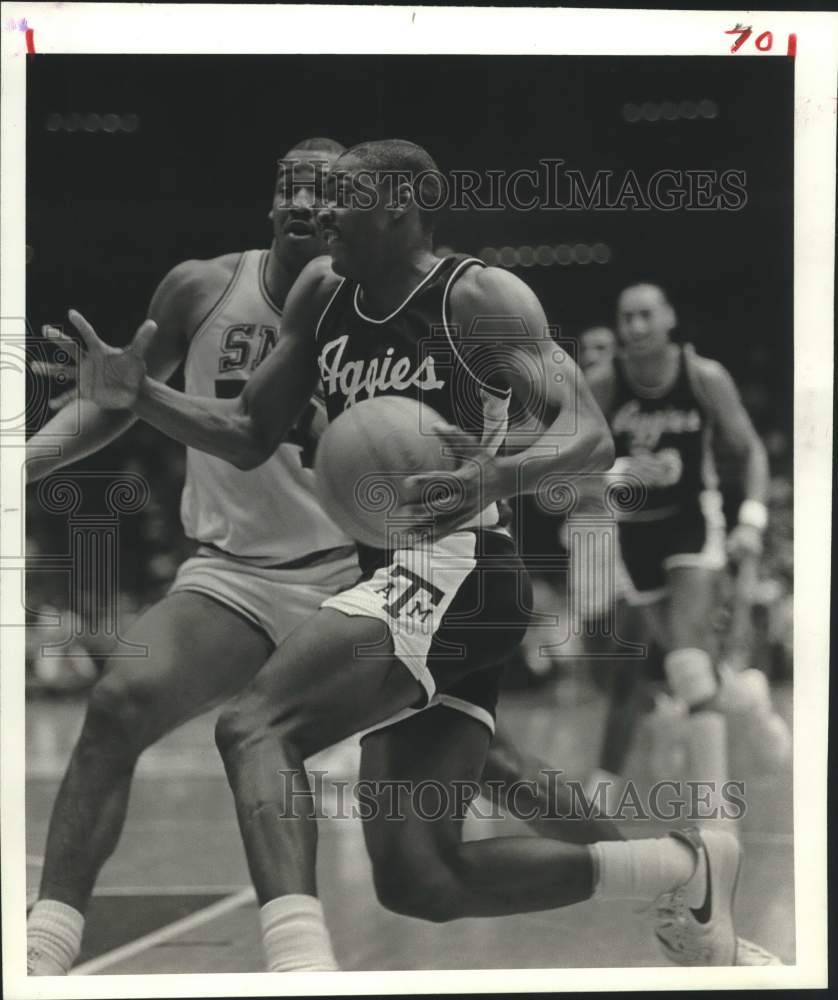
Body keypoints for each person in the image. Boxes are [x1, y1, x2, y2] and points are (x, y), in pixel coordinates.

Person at [54, 139, 748, 970]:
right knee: (420, 876)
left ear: (400, 204)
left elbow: (588, 437)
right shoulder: (321, 292)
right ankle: (684, 865)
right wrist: (145, 396)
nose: (323, 213)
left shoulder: (480, 296)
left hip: (463, 565)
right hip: (395, 575)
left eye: (343, 196)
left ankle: (298, 967)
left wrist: (499, 472)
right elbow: (248, 435)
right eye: (313, 197)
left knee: (255, 727)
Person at [586, 283, 789, 817]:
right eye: (626, 317)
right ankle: (749, 701)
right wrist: (615, 473)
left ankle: (713, 815)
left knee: (687, 661)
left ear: (669, 318)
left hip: (693, 527)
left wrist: (751, 519)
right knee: (688, 668)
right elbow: (566, 468)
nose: (634, 327)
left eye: (645, 315)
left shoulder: (703, 376)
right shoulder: (605, 384)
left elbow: (751, 454)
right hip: (634, 534)